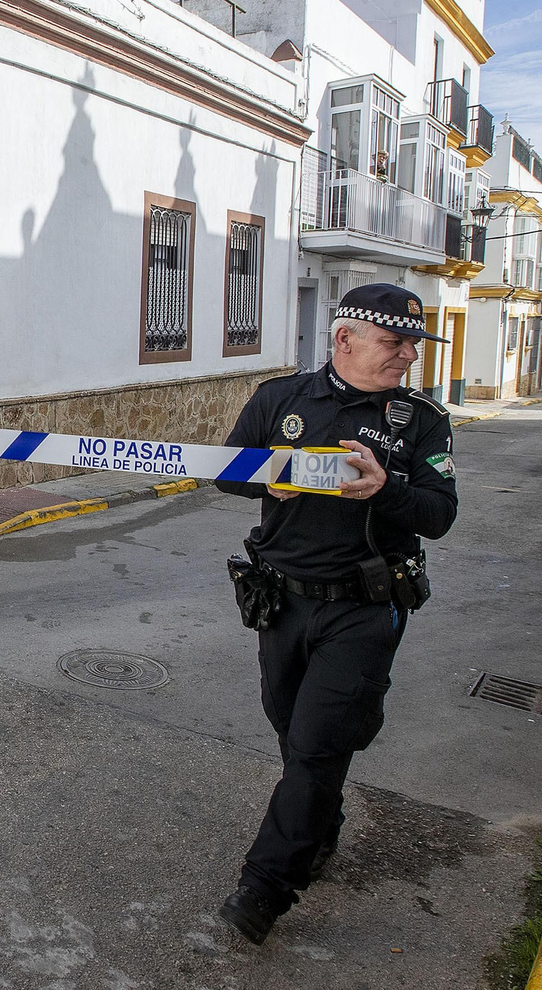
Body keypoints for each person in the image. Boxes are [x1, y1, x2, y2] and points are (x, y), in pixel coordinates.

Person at [214, 283, 457, 944]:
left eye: (414, 343)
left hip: (364, 608)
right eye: (394, 341)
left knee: (319, 745)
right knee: (293, 733)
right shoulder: (281, 398)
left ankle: (264, 888)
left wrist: (388, 489)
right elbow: (228, 476)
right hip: (281, 602)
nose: (408, 354)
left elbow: (440, 515)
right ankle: (320, 822)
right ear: (345, 338)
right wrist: (274, 471)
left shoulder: (420, 420)